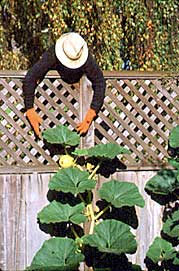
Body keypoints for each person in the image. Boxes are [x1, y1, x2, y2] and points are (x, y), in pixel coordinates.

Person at [22, 32, 106, 136]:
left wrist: (89, 118)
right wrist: (30, 109)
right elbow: (31, 77)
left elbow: (100, 82)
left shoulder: (86, 59)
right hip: (49, 95)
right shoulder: (52, 54)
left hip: (77, 99)